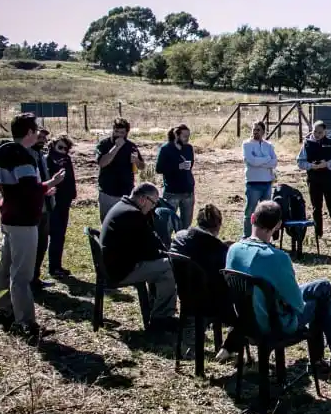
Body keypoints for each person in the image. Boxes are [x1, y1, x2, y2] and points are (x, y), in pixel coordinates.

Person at [226, 200, 331, 373]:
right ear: (278, 226)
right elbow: (297, 304)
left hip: (246, 320)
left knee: (321, 286)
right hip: (275, 323)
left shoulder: (233, 249)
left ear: (252, 218)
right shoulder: (277, 257)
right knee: (319, 300)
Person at [0, 113, 66, 340]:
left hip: (10, 217)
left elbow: (21, 189)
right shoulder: (21, 157)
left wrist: (42, 188)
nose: (39, 134)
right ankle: (27, 324)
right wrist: (50, 183)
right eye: (37, 130)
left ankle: (3, 309)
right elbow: (27, 189)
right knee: (22, 274)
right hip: (23, 221)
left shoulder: (5, 154)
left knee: (6, 266)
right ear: (30, 133)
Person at [99, 183, 179, 332]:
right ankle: (161, 318)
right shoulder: (132, 215)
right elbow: (149, 249)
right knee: (170, 267)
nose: (154, 207)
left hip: (116, 264)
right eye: (153, 203)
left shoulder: (122, 206)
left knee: (164, 264)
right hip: (120, 270)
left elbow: (147, 242)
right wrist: (168, 255)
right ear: (143, 199)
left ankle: (158, 308)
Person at [170, 203, 237, 348]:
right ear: (218, 225)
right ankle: (231, 346)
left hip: (185, 296)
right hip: (209, 302)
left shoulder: (180, 238)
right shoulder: (217, 250)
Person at [298, 120, 331, 243]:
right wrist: (311, 166)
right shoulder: (306, 144)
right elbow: (300, 162)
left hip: (329, 180)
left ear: (325, 132)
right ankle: (318, 233)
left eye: (320, 132)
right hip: (313, 180)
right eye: (315, 132)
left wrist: (326, 164)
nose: (317, 134)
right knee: (317, 207)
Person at [96, 118, 144, 222]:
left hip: (126, 191)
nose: (118, 135)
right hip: (108, 191)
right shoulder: (104, 144)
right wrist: (116, 147)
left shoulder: (131, 146)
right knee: (106, 222)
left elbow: (142, 166)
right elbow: (102, 163)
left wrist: (136, 161)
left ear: (127, 133)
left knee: (125, 223)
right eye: (116, 131)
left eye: (121, 132)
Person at [45, 134, 76, 279]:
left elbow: (71, 179)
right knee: (51, 234)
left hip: (64, 201)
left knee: (60, 235)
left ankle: (55, 266)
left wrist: (72, 194)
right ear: (53, 145)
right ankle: (49, 268)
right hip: (51, 201)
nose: (63, 151)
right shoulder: (47, 160)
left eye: (66, 148)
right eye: (60, 147)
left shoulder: (67, 160)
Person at [242, 121, 278, 239]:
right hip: (253, 183)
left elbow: (274, 162)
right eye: (254, 129)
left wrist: (260, 161)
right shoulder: (247, 144)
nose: (255, 132)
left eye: (258, 129)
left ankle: (264, 237)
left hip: (267, 183)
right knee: (250, 211)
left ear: (263, 131)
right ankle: (247, 236)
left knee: (266, 212)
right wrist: (266, 159)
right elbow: (251, 161)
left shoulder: (268, 145)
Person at [155, 123, 195, 228]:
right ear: (177, 136)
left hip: (188, 191)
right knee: (168, 225)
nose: (187, 139)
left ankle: (183, 243)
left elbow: (190, 165)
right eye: (185, 136)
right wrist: (178, 166)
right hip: (172, 192)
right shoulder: (166, 149)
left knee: (186, 225)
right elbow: (159, 169)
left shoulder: (189, 148)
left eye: (188, 136)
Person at [30, 128, 54, 290]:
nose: (43, 140)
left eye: (45, 138)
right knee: (32, 246)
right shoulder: (26, 156)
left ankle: (35, 278)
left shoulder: (40, 155)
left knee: (42, 244)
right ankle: (28, 281)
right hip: (33, 208)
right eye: (40, 137)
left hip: (45, 206)